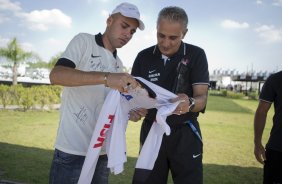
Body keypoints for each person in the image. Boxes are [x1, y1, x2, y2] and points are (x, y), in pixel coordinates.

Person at [48, 2, 145, 184]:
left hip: (102, 152)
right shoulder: (84, 41)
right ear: (109, 20)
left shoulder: (119, 64)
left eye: (132, 31)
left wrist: (130, 112)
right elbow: (56, 75)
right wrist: (107, 78)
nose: (128, 34)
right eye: (124, 26)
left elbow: (112, 106)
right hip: (72, 150)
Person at [131, 6, 209, 184]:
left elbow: (202, 99)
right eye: (161, 35)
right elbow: (134, 98)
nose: (165, 43)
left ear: (185, 33)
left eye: (173, 37)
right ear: (156, 30)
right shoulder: (143, 57)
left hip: (185, 132)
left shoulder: (196, 54)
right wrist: (135, 110)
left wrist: (188, 102)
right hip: (152, 130)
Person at [254, 70, 282, 184]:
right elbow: (262, 111)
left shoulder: (275, 78)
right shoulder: (276, 79)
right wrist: (257, 142)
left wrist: (257, 142)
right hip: (277, 147)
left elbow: (262, 111)